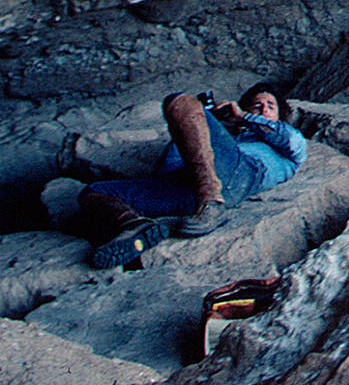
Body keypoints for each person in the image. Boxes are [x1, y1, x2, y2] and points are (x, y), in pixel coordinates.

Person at [76, 83, 307, 269]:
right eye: (257, 106)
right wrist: (203, 121)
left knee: (179, 101)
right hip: (191, 188)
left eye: (270, 105)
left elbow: (290, 141)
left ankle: (211, 205)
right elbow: (170, 168)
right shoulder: (229, 139)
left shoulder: (289, 144)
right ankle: (134, 227)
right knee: (95, 191)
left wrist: (245, 117)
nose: (264, 109)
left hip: (242, 173)